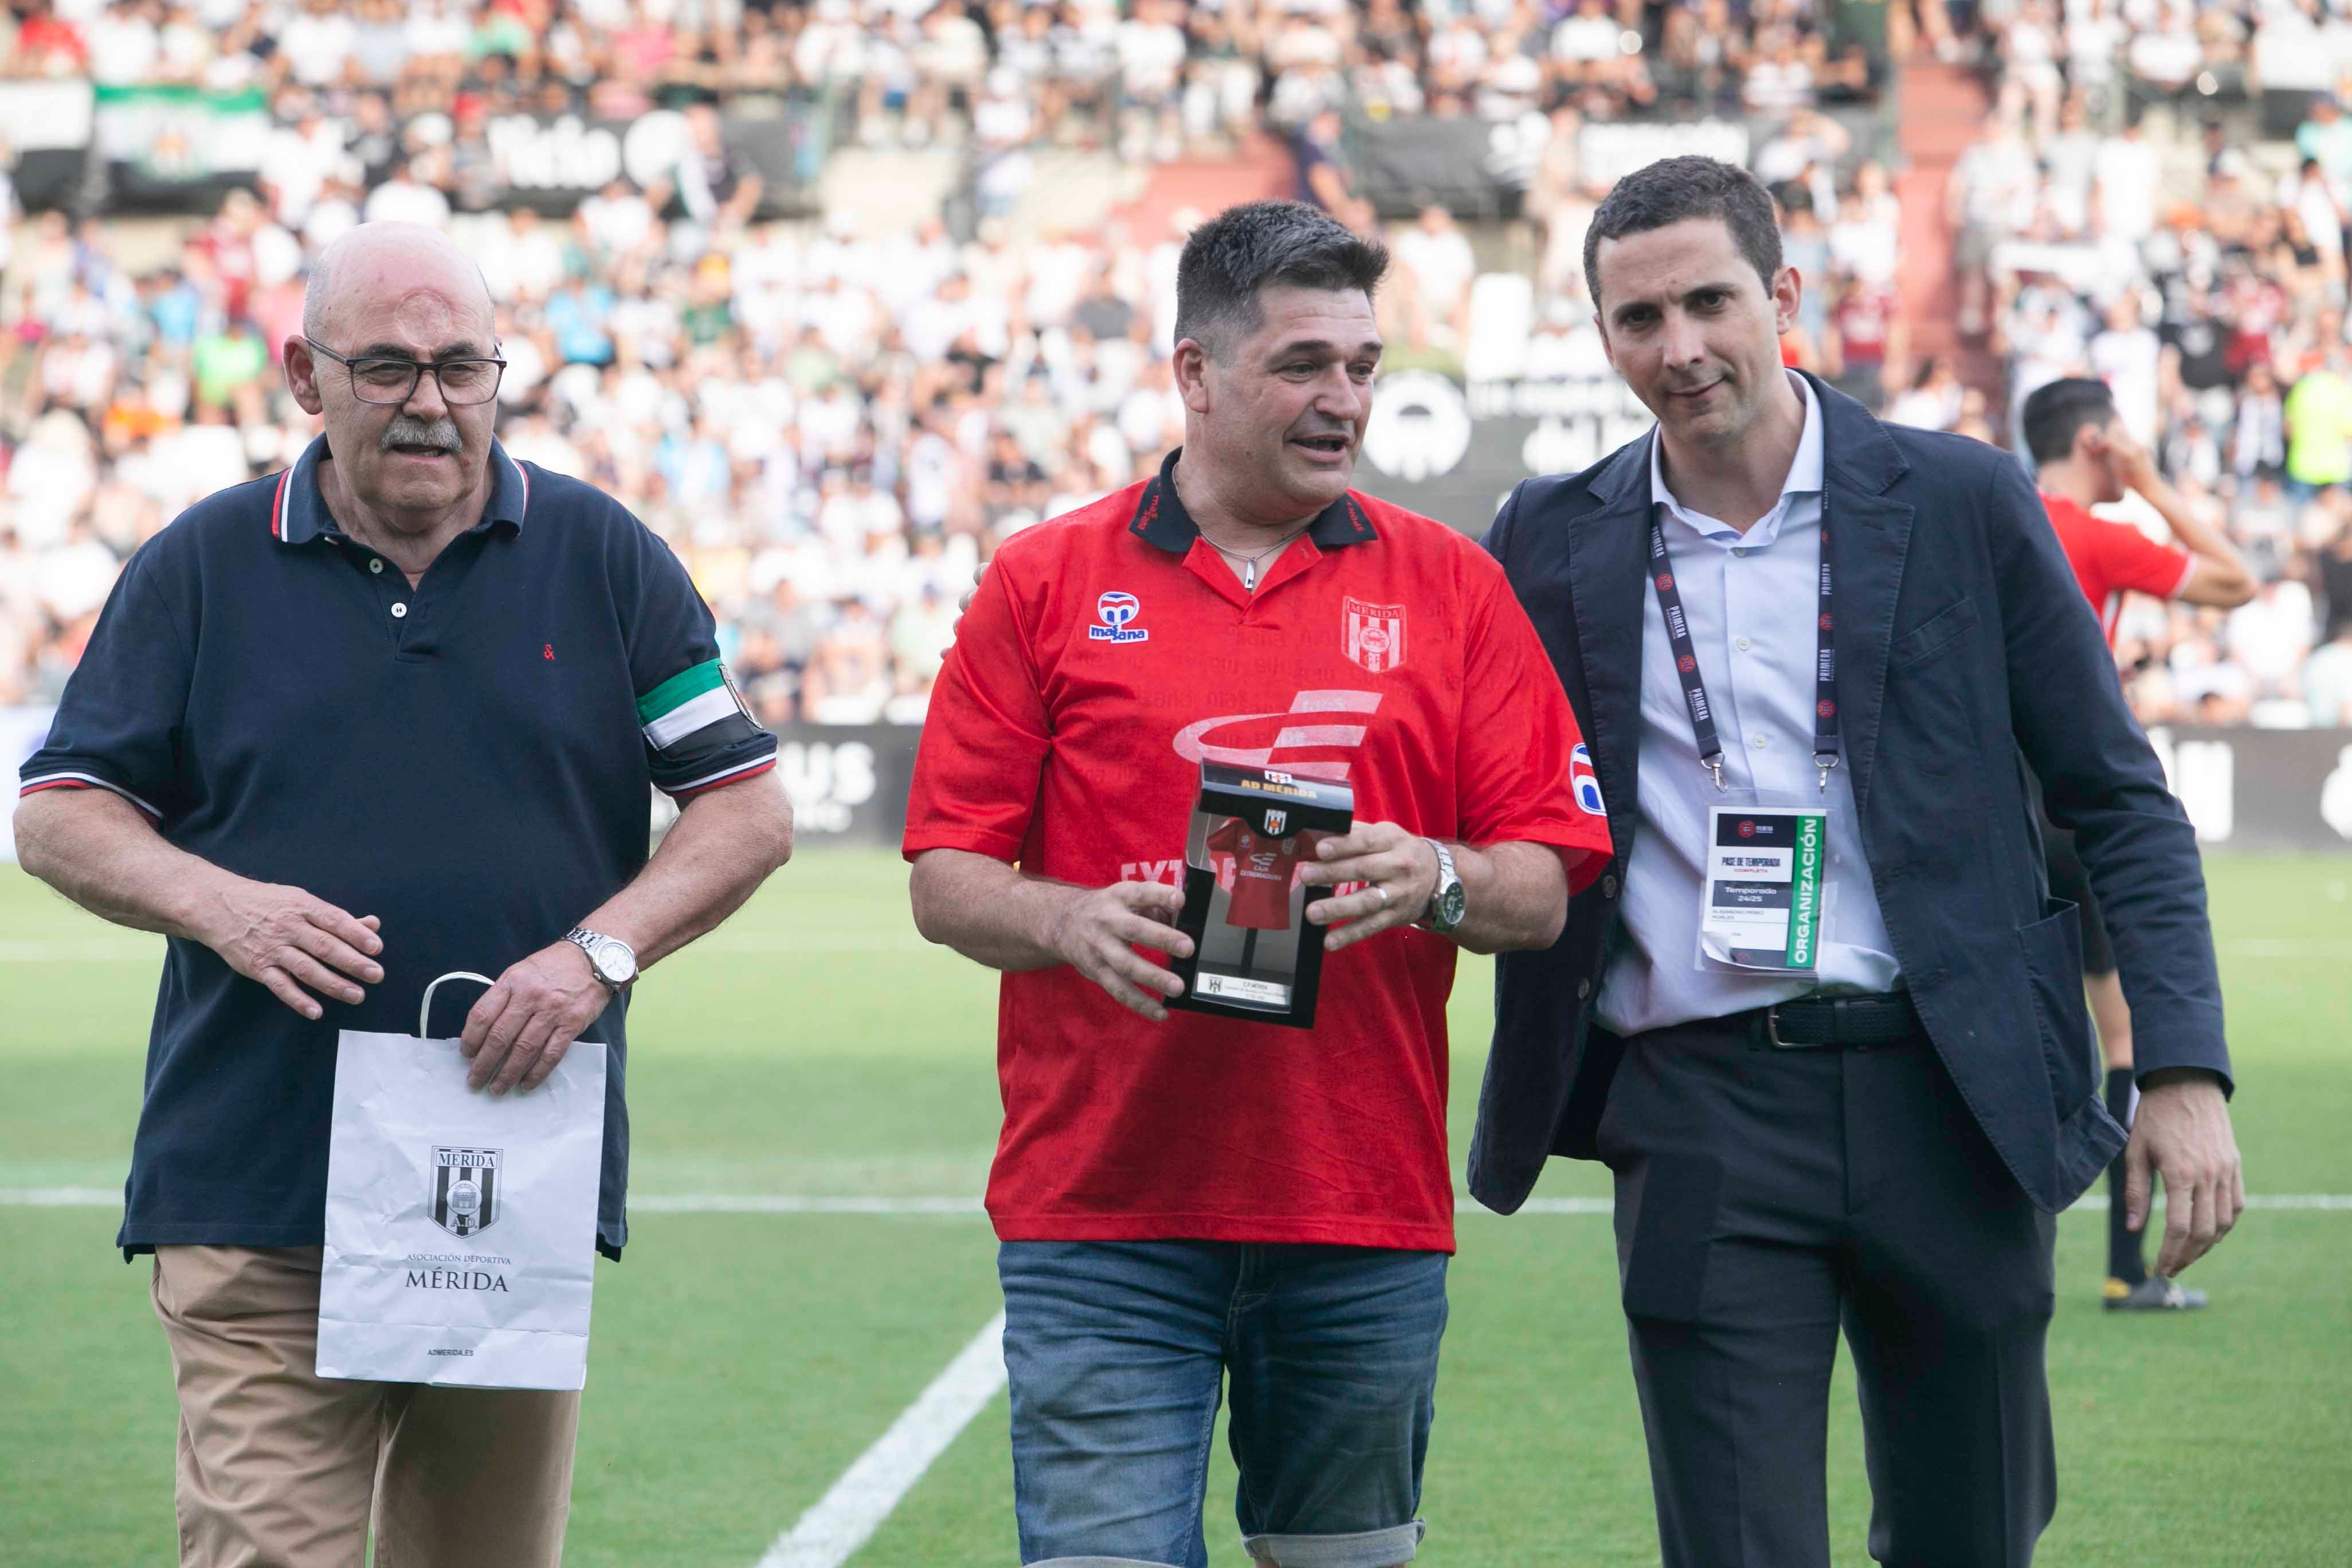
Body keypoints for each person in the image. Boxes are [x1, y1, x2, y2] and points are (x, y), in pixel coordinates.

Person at [1472, 158, 2244, 1568]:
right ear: (1601, 335)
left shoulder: (1960, 499)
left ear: (1783, 297)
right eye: (1638, 318)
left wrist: (2181, 1068)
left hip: (1957, 1095)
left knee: (1975, 1538)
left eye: (1710, 301)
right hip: (1698, 1101)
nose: (1680, 347)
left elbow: (2122, 800)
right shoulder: (1548, 535)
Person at [12, 222, 793, 1568]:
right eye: (385, 368)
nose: (430, 402)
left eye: (460, 366)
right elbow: (61, 814)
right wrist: (224, 906)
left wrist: (595, 956)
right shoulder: (200, 564)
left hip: (504, 1184)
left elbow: (748, 806)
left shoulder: (606, 558)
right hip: (254, 1184)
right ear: (304, 377)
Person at [905, 199, 1612, 1568]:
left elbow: (1546, 884)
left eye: (1362, 366)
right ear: (1197, 375)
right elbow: (946, 876)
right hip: (1102, 1214)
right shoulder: (1045, 581)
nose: (1342, 398)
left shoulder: (1454, 587)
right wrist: (1069, 917)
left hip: (1356, 1210)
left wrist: (1438, 877)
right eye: (1302, 364)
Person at [2022, 374, 2257, 1311]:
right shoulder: (2092, 530)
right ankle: (2129, 1267)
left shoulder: (1995, 517)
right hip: (2077, 805)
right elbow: (2236, 581)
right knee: (2121, 1037)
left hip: (2001, 804)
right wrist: (2154, 485)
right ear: (2094, 441)